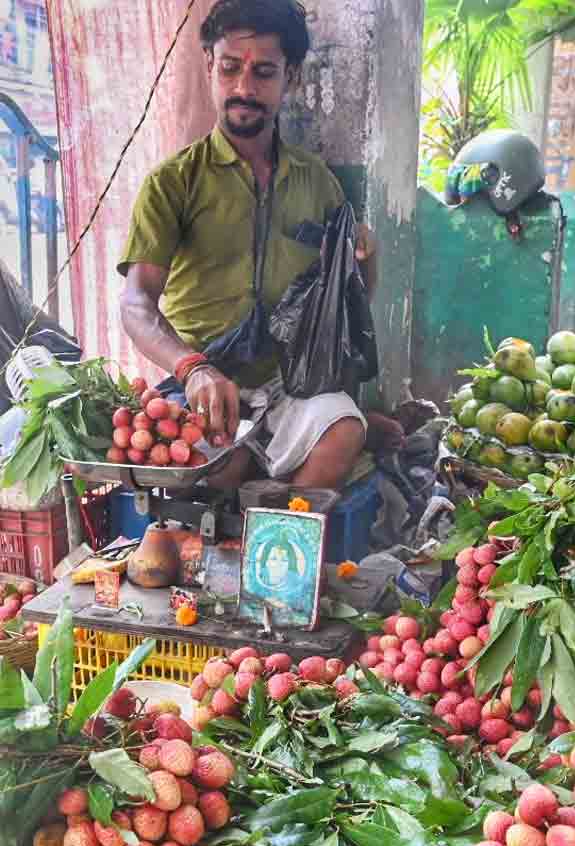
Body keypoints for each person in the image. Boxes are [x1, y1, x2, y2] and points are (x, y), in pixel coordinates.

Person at [119, 0, 402, 491]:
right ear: (210, 65)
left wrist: (364, 258)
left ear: (289, 78)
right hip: (204, 385)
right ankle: (248, 483)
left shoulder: (318, 184)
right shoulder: (173, 183)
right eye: (230, 68)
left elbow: (353, 300)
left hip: (288, 385)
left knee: (343, 430)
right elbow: (137, 304)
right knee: (219, 470)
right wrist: (193, 369)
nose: (244, 88)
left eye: (264, 72)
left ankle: (277, 546)